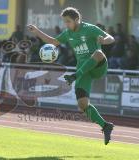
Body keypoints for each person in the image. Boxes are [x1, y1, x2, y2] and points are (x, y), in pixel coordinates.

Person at [28, 7, 115, 145]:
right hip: (82, 71)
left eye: (68, 21)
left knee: (98, 53)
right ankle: (106, 126)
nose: (66, 24)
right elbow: (54, 42)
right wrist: (37, 31)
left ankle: (75, 75)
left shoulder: (90, 29)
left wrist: (104, 40)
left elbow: (111, 38)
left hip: (97, 67)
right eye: (65, 22)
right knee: (82, 105)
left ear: (77, 19)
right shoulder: (68, 33)